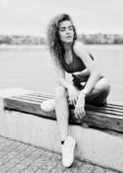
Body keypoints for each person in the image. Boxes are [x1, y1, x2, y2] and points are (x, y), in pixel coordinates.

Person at [42, 13, 110, 167]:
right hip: (79, 90)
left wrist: (83, 95)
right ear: (56, 34)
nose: (68, 32)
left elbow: (96, 72)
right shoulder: (57, 52)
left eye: (70, 28)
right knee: (59, 90)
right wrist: (71, 88)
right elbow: (60, 78)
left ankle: (60, 102)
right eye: (63, 29)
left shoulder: (77, 47)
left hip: (97, 90)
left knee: (104, 84)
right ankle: (66, 142)